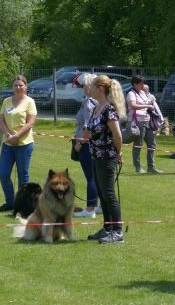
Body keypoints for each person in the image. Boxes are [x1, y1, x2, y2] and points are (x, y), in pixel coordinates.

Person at [84, 75, 127, 244]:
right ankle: (107, 228)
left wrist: (118, 152)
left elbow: (117, 135)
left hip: (107, 157)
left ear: (100, 88)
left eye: (93, 86)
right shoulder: (96, 107)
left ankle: (117, 231)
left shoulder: (109, 109)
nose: (90, 89)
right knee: (102, 193)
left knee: (109, 194)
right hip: (95, 156)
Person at [0, 75, 37, 212]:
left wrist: (17, 135)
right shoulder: (6, 101)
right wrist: (8, 135)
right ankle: (10, 202)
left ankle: (22, 206)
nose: (18, 87)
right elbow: (1, 120)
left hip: (24, 144)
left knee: (23, 176)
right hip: (8, 144)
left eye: (21, 85)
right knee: (3, 173)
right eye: (16, 85)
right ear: (12, 87)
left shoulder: (30, 102)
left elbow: (30, 122)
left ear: (26, 87)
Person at [72, 73, 101, 218]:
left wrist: (79, 142)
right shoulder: (100, 102)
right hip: (97, 143)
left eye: (84, 85)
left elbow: (86, 125)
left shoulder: (88, 102)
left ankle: (90, 209)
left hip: (87, 144)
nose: (82, 88)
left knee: (91, 177)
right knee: (98, 176)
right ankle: (101, 206)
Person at [126, 75, 162, 174]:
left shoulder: (142, 92)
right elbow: (133, 105)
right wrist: (147, 105)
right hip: (138, 122)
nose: (143, 85)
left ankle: (151, 167)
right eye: (141, 83)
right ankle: (138, 168)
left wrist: (150, 104)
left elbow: (147, 104)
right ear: (135, 84)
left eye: (143, 83)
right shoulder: (131, 93)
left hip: (147, 121)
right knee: (138, 145)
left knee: (152, 144)